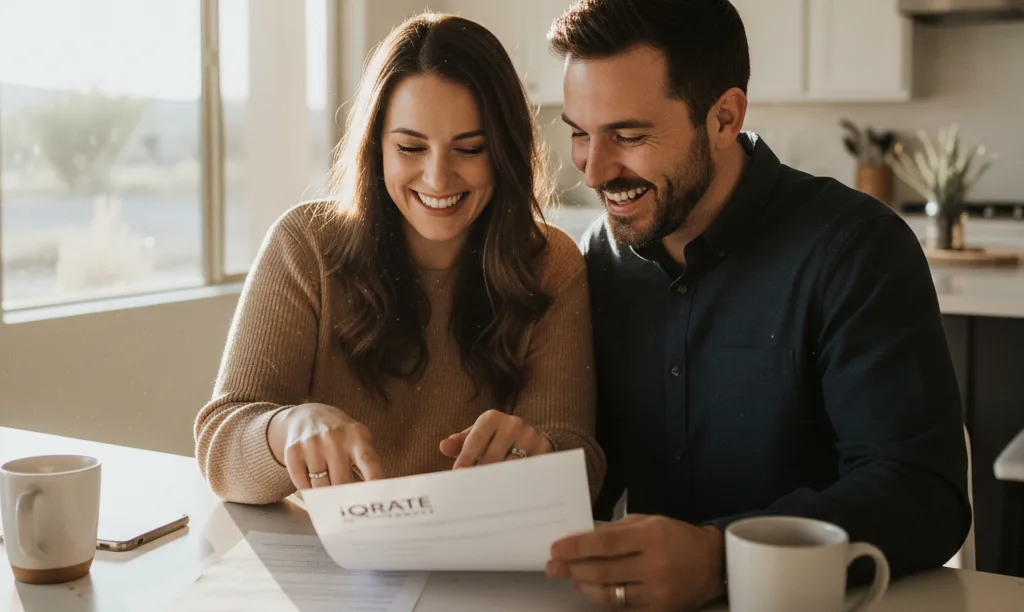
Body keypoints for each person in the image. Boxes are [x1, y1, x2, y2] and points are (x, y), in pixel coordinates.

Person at [542, 1, 971, 610]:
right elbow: (592, 468)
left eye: (630, 136)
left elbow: (923, 495)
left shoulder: (854, 250)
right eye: (581, 134)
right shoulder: (600, 260)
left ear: (724, 117)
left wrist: (720, 557)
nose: (594, 171)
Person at [194, 13, 605, 505]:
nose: (438, 178)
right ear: (376, 149)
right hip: (329, 560)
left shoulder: (550, 263)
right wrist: (284, 429)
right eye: (410, 147)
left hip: (479, 559)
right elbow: (220, 453)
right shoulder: (304, 244)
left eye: (469, 149)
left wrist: (542, 456)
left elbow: (580, 460)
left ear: (504, 151)